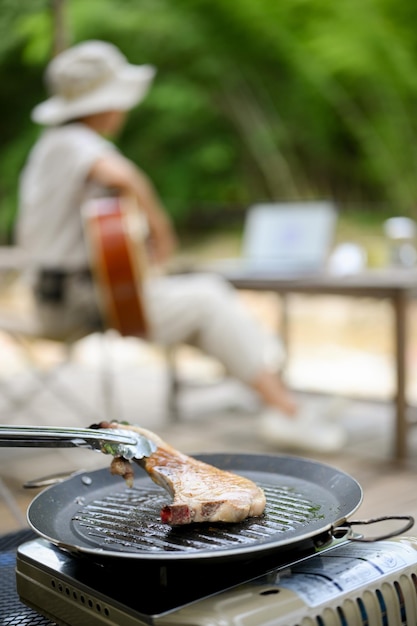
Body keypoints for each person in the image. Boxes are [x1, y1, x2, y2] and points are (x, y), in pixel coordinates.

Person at [16, 40, 346, 453]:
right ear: (103, 104)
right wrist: (160, 227)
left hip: (66, 296)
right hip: (77, 303)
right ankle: (288, 410)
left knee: (207, 309)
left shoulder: (51, 147)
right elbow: (123, 176)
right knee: (208, 300)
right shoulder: (74, 143)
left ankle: (281, 400)